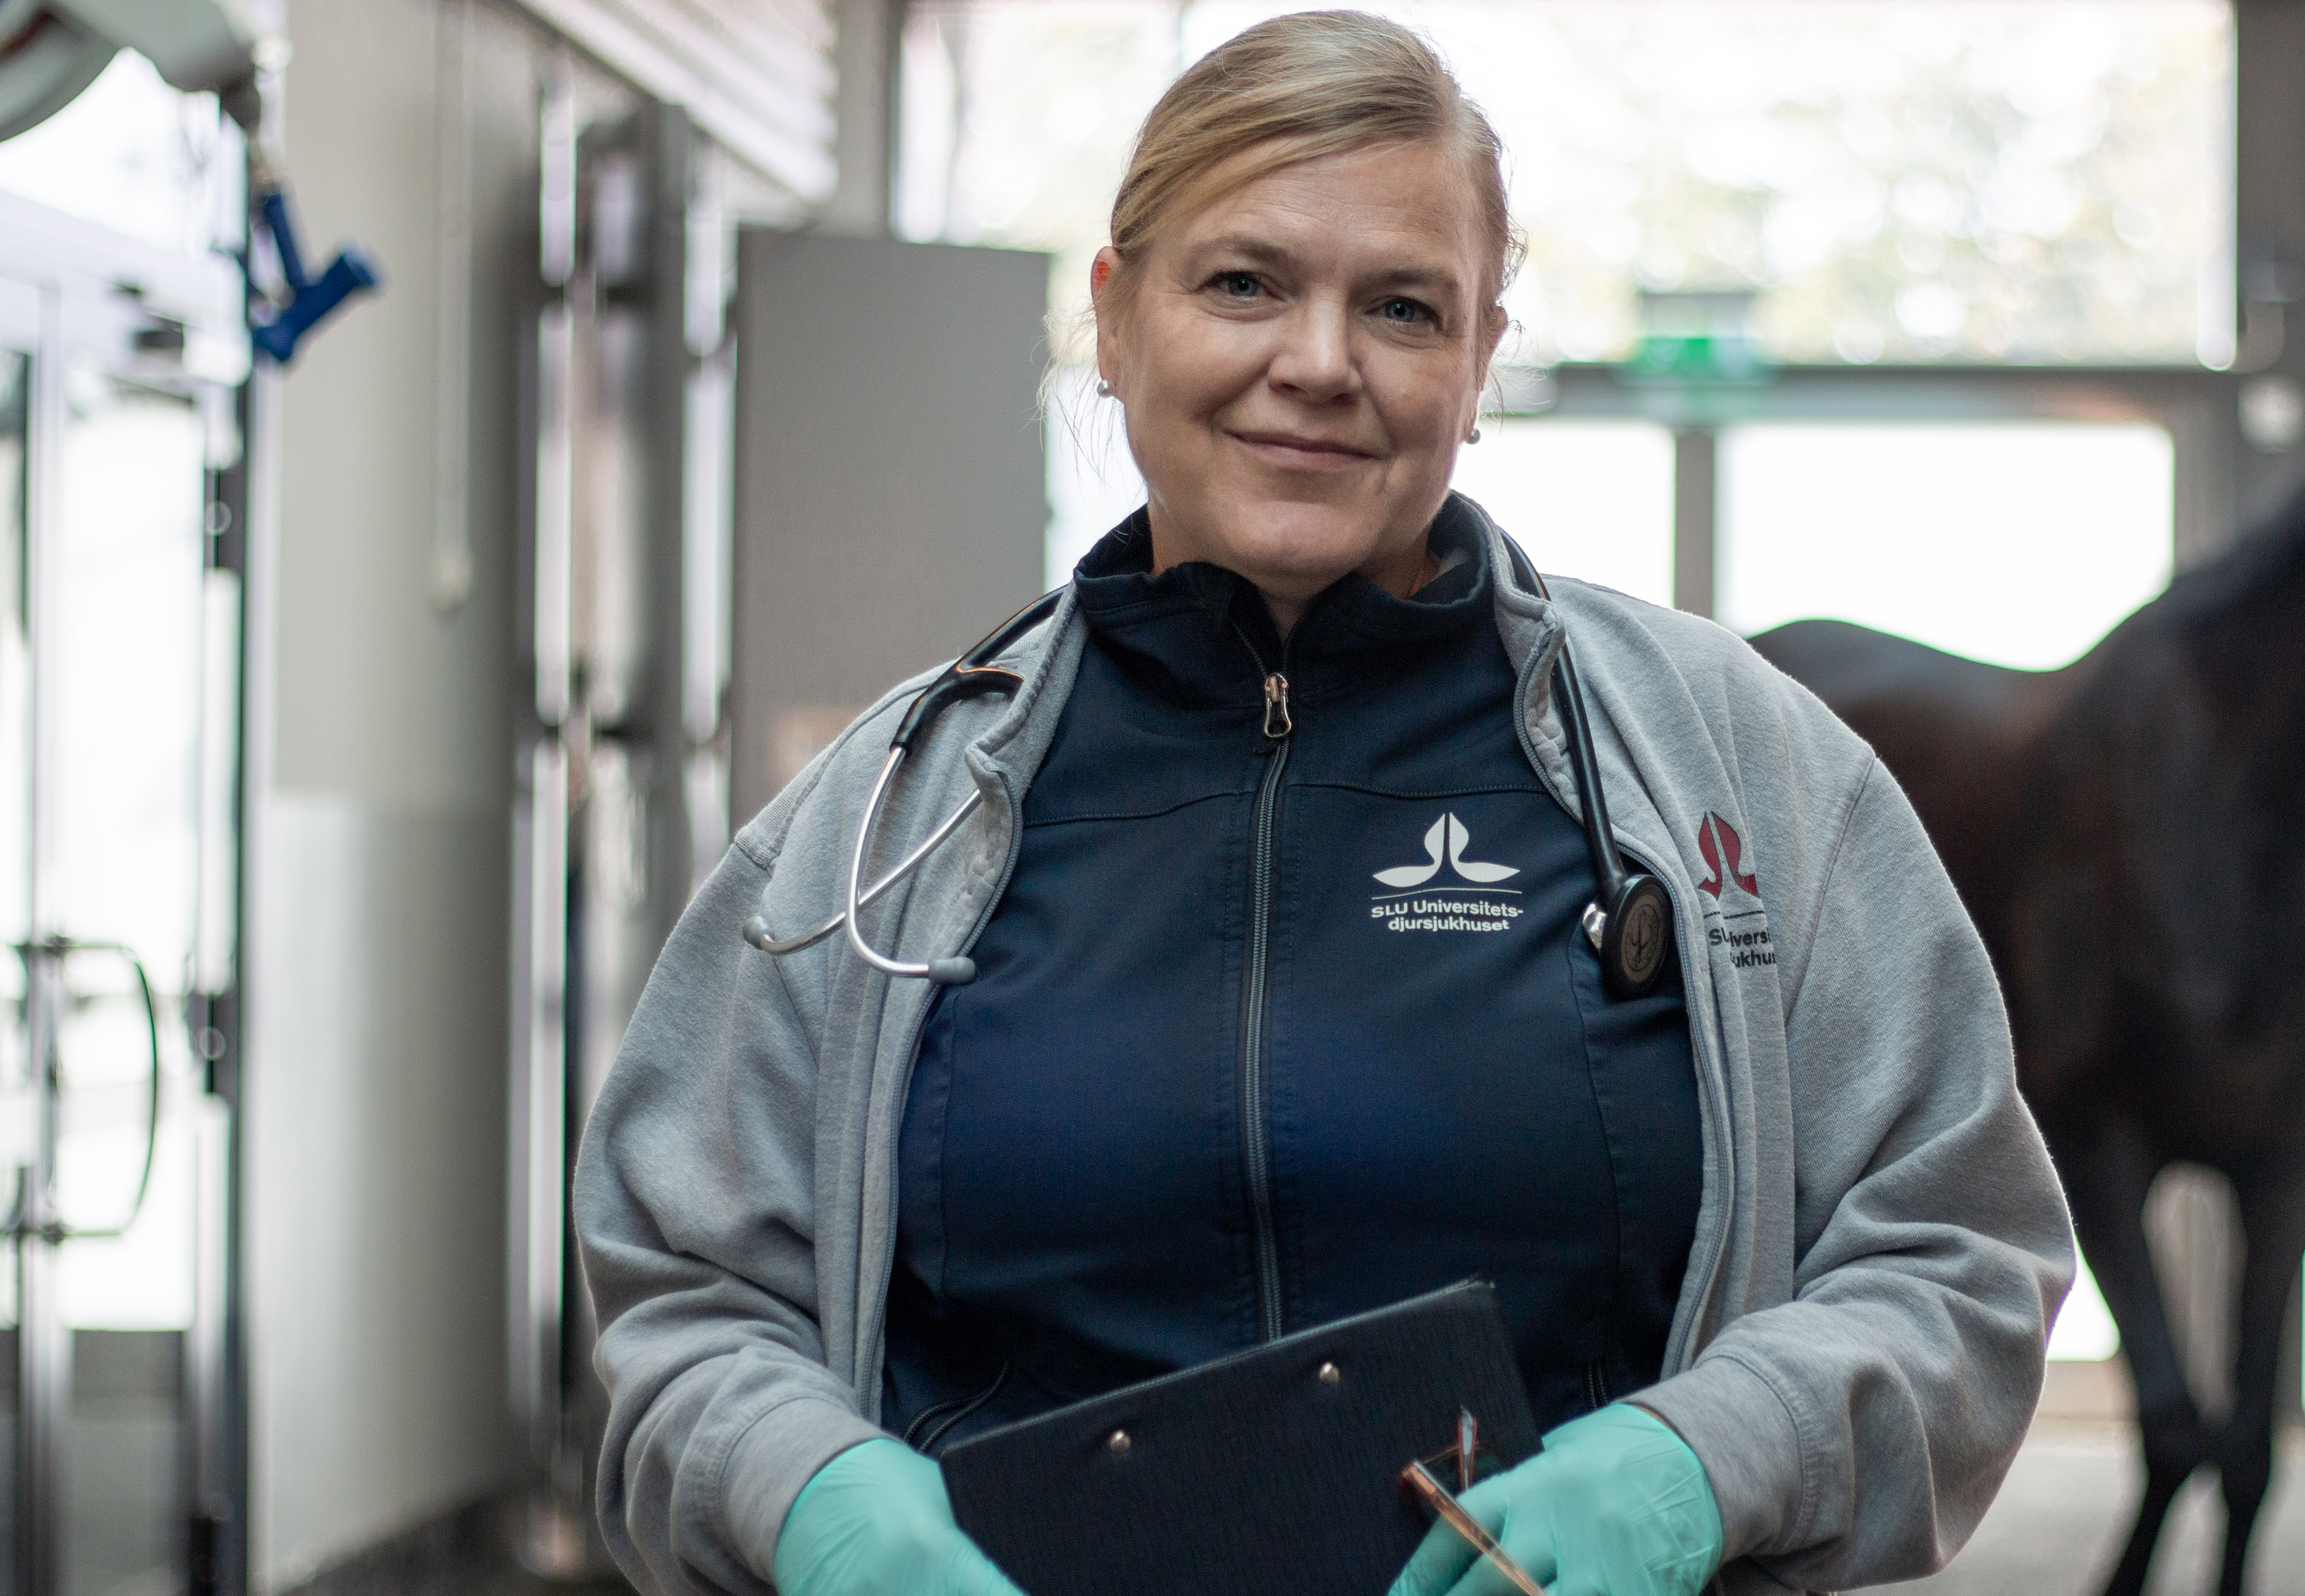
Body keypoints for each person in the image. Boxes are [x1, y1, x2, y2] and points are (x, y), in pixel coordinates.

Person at [575, 14, 2073, 1596]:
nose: (1316, 362)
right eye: (1242, 283)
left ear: (1480, 362)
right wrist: (814, 1501)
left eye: (1402, 308)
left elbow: (1954, 1257)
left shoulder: (1736, 775)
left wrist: (1701, 1467)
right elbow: (688, 1295)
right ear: (1112, 319)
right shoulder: (887, 822)